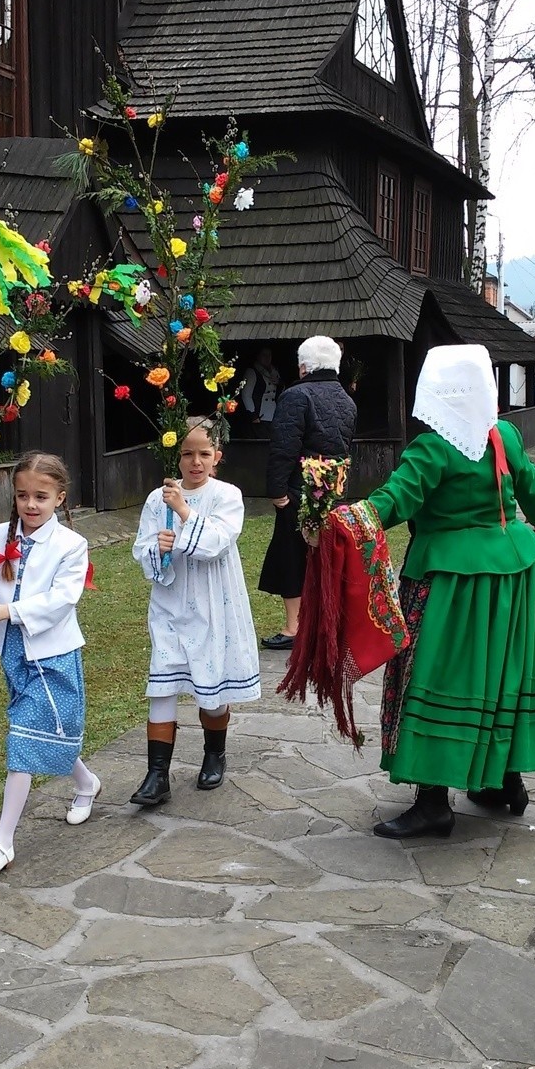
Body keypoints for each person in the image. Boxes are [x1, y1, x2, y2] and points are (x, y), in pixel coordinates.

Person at [363, 345, 535, 840]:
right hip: (512, 576)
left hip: (450, 582)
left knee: (440, 678)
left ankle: (434, 800)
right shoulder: (502, 434)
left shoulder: (433, 446)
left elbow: (394, 501)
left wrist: (341, 520)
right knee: (502, 675)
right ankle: (504, 780)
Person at [0, 452, 97, 875]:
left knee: (23, 740)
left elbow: (63, 600)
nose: (31, 505)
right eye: (22, 496)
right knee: (42, 730)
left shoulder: (72, 545)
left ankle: (2, 842)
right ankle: (87, 783)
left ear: (60, 497)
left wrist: (10, 612)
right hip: (12, 651)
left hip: (51, 653)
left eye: (41, 496)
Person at [129, 419, 260, 807]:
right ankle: (157, 775)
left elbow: (218, 542)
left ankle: (213, 752)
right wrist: (159, 548)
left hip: (212, 603)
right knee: (162, 687)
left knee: (211, 690)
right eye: (187, 454)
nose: (195, 462)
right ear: (176, 456)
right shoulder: (158, 499)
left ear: (217, 457)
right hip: (170, 604)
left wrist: (184, 511)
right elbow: (142, 549)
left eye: (204, 454)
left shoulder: (227, 495)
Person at [259, 335, 356, 650]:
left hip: (298, 490)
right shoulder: (346, 399)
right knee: (323, 557)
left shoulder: (296, 396)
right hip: (331, 491)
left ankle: (294, 627)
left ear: (303, 366)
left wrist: (276, 490)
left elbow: (283, 446)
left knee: (290, 557)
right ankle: (326, 621)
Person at [240, 347, 280, 431]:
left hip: (273, 414)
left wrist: (279, 383)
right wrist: (253, 414)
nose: (267, 358)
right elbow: (246, 395)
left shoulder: (275, 372)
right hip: (259, 415)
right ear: (258, 356)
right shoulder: (252, 372)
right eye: (264, 355)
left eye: (269, 355)